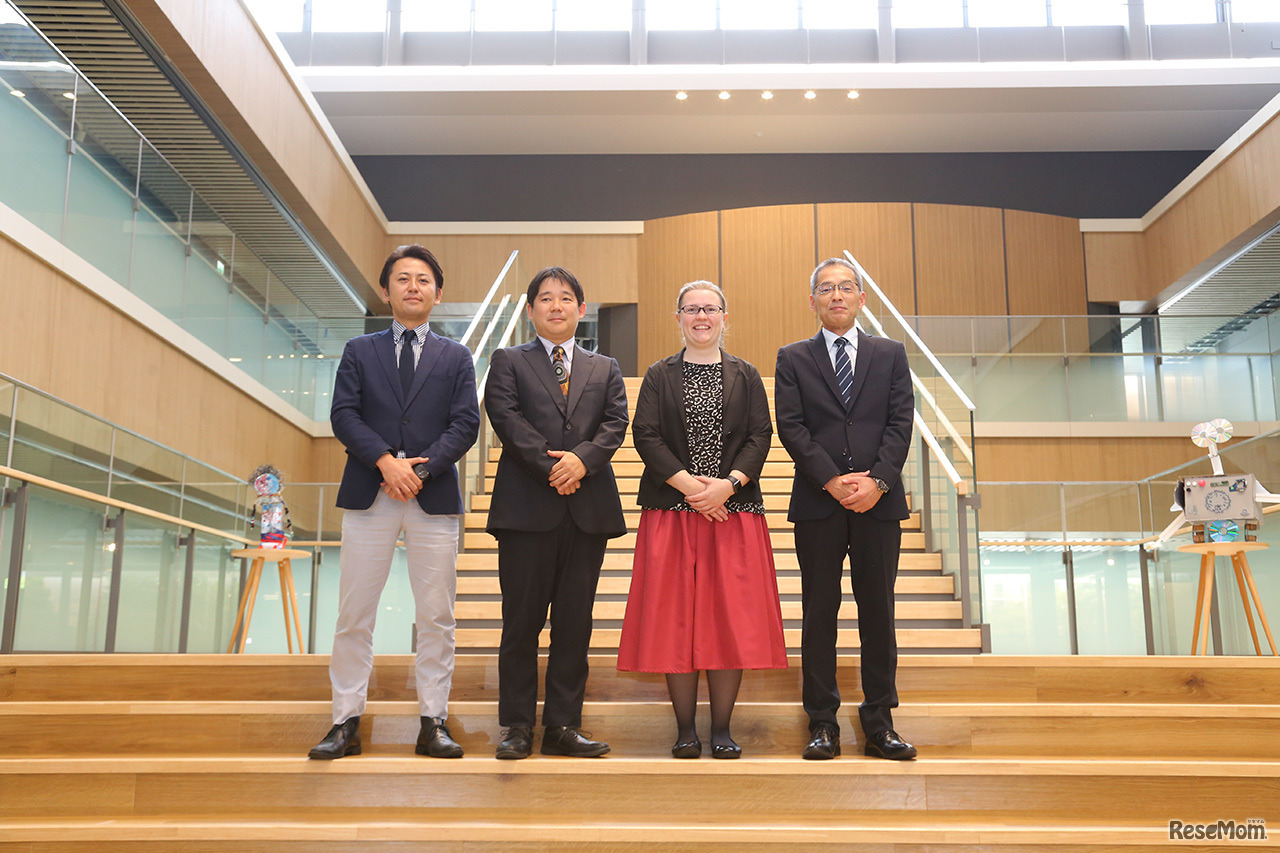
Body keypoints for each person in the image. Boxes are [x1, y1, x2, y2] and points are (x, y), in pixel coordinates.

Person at [309, 244, 479, 760]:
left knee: (436, 615)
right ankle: (344, 722)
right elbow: (344, 415)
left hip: (432, 495)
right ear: (386, 291)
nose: (412, 286)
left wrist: (420, 468)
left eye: (423, 279)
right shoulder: (361, 350)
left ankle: (434, 721)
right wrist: (386, 462)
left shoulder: (457, 356)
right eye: (402, 279)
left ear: (437, 292)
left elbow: (466, 423)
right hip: (371, 492)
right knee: (355, 612)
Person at [618, 280, 786, 759]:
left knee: (727, 620)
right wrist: (693, 488)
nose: (701, 316)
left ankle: (722, 729)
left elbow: (760, 435)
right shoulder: (657, 374)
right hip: (672, 512)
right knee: (675, 620)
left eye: (710, 309)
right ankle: (686, 729)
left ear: (724, 317)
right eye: (691, 309)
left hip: (733, 513)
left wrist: (726, 485)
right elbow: (645, 435)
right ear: (678, 318)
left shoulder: (747, 374)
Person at [774, 257, 917, 761]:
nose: (837, 295)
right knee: (820, 614)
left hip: (879, 504)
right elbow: (791, 427)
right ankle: (821, 723)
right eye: (826, 289)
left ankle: (880, 722)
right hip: (819, 503)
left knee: (879, 613)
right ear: (811, 300)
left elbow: (902, 423)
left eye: (847, 288)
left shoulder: (891, 353)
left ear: (861, 299)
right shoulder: (792, 357)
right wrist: (832, 480)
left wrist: (878, 480)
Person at [484, 266, 629, 759]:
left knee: (575, 623)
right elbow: (504, 415)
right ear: (531, 311)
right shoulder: (508, 360)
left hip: (585, 512)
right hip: (527, 507)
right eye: (545, 298)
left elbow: (615, 424)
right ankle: (517, 727)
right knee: (521, 622)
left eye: (566, 298)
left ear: (581, 309)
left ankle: (564, 727)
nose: (556, 305)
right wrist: (552, 464)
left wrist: (581, 462)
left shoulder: (604, 366)